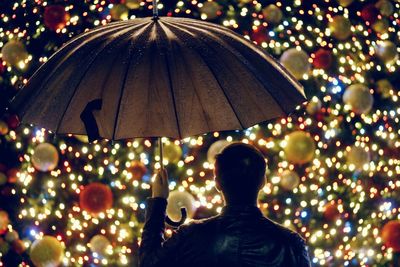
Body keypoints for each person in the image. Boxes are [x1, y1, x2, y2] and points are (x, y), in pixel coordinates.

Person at [139, 142, 311, 267]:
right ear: (263, 181)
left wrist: (159, 200)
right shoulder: (290, 244)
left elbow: (149, 263)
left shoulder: (190, 236)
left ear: (217, 183)